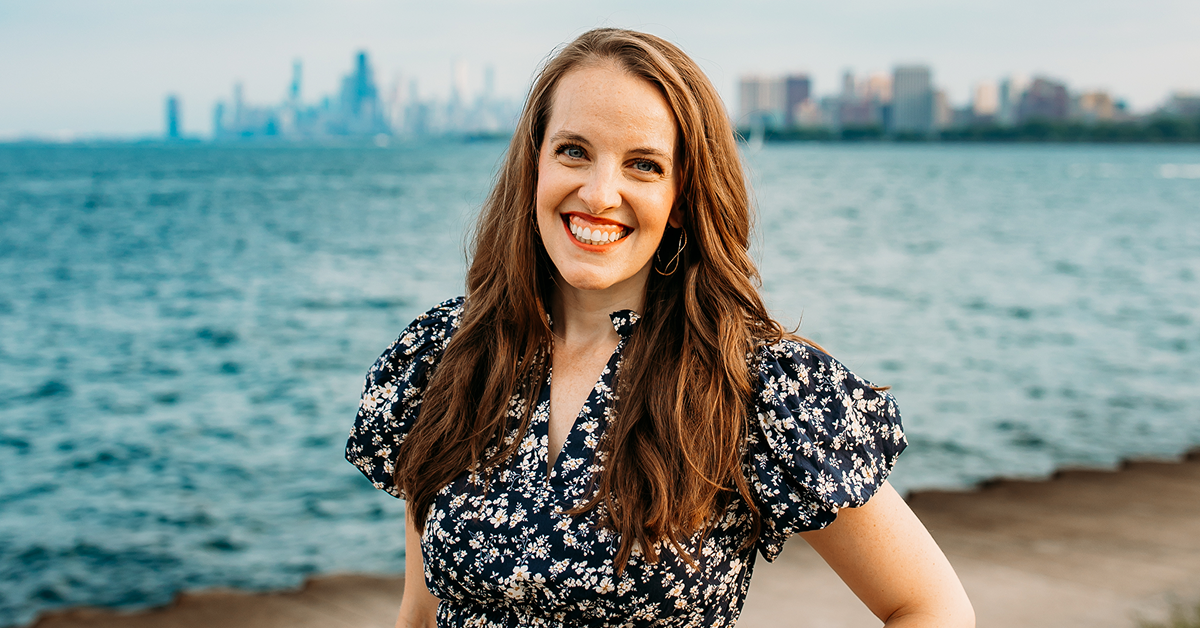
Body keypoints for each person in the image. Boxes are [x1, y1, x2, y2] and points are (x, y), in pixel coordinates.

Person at [347, 28, 974, 628]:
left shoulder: (752, 385)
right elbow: (420, 614)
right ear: (533, 166)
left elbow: (931, 607)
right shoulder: (444, 358)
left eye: (643, 165)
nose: (598, 193)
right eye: (574, 151)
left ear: (683, 199)